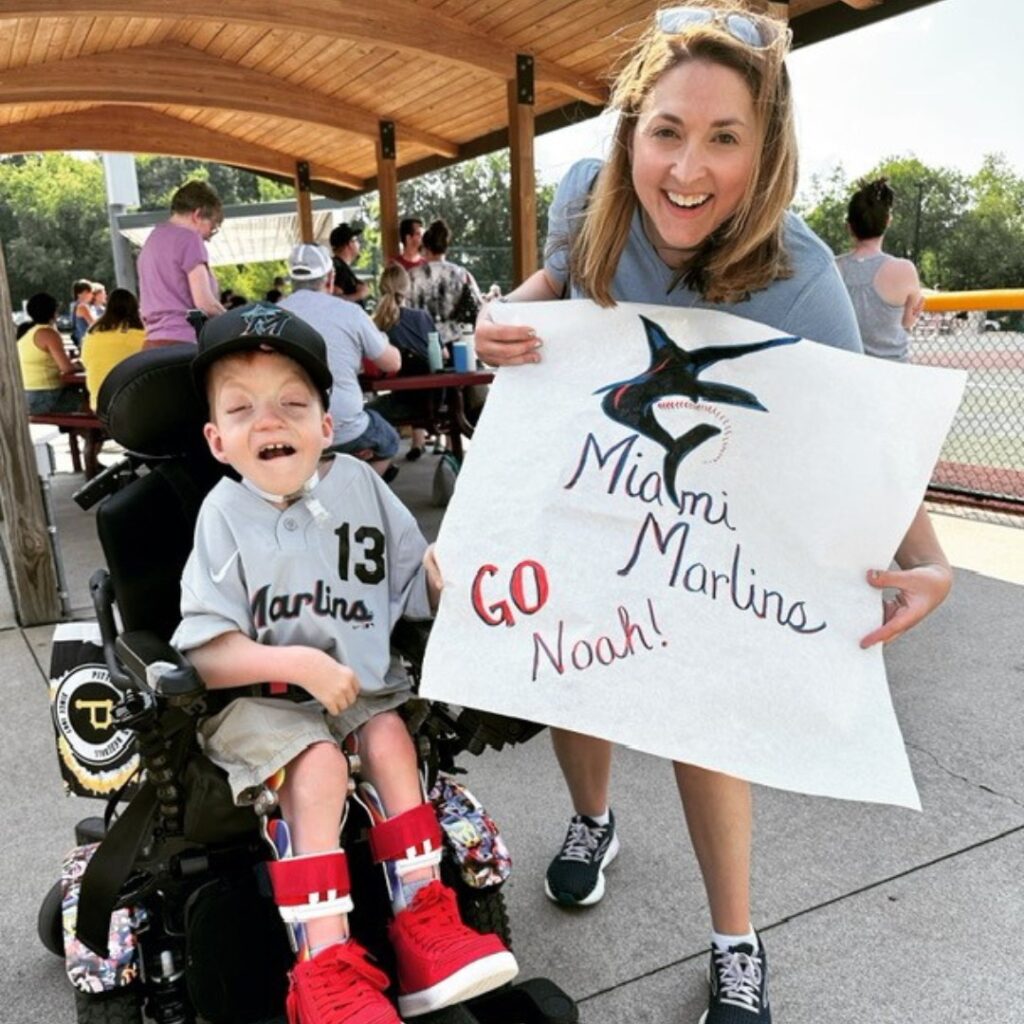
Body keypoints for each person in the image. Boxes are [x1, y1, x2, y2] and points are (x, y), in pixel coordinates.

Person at [472, 5, 953, 1023]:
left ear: (766, 148)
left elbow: (861, 434)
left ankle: (736, 936)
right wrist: (504, 315)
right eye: (666, 131)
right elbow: (555, 285)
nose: (686, 169)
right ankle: (591, 819)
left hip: (711, 512)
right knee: (577, 677)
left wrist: (930, 554)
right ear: (630, 133)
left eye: (723, 138)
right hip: (595, 478)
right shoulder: (586, 196)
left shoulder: (802, 275)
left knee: (706, 712)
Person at [172, 303, 518, 1023]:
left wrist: (466, 578)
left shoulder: (359, 488)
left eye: (292, 404)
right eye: (242, 410)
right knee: (322, 765)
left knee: (391, 738)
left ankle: (423, 919)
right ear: (216, 439)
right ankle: (323, 966)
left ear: (327, 426)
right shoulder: (222, 515)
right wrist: (299, 663)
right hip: (260, 702)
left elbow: (414, 575)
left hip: (361, 691)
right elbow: (208, 653)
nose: (269, 423)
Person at [278, 243, 403, 479]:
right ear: (330, 277)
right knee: (388, 441)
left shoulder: (272, 317)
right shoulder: (350, 312)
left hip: (292, 430)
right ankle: (360, 489)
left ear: (290, 280)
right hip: (346, 430)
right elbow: (392, 363)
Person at [18, 290, 105, 477]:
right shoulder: (48, 333)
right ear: (54, 312)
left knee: (83, 414)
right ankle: (92, 462)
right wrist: (81, 363)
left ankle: (91, 455)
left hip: (27, 397)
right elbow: (67, 368)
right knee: (94, 409)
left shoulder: (26, 334)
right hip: (45, 397)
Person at [836, 177, 924, 362]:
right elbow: (908, 323)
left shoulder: (831, 269)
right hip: (892, 374)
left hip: (845, 372)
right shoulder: (904, 270)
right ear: (888, 221)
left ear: (849, 227)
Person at [137, 180, 226, 347]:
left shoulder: (152, 240)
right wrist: (233, 321)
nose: (208, 237)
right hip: (184, 342)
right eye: (212, 227)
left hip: (152, 344)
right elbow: (204, 302)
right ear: (197, 215)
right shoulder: (189, 239)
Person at [369, 264, 438, 460]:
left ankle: (382, 463)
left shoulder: (377, 325)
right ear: (407, 289)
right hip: (435, 400)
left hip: (403, 401)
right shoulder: (423, 317)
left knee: (361, 414)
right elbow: (443, 355)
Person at [409, 219, 483, 351]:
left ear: (426, 247)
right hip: (457, 343)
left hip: (421, 343)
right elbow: (478, 304)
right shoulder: (461, 274)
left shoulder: (412, 276)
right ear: (445, 246)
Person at [81, 288, 147, 409]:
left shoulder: (93, 333)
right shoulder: (142, 334)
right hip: (133, 403)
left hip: (99, 403)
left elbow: (85, 362)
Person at [329, 223, 370, 306]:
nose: (359, 244)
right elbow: (335, 300)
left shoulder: (340, 266)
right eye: (356, 240)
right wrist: (359, 295)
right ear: (349, 244)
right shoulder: (339, 268)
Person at [70, 279, 96, 350]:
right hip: (87, 342)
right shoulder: (82, 307)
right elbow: (94, 324)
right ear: (84, 292)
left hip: (82, 342)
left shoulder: (74, 305)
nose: (92, 295)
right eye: (90, 292)